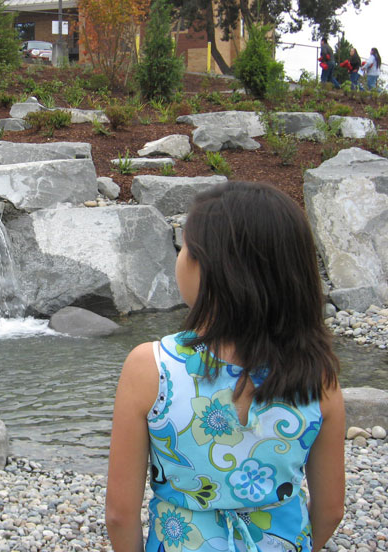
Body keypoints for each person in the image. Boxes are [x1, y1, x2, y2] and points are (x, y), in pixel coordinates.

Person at [105, 182, 345, 552]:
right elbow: (330, 510)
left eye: (185, 247)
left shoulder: (151, 366)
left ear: (215, 269)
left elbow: (120, 514)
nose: (180, 258)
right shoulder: (318, 374)